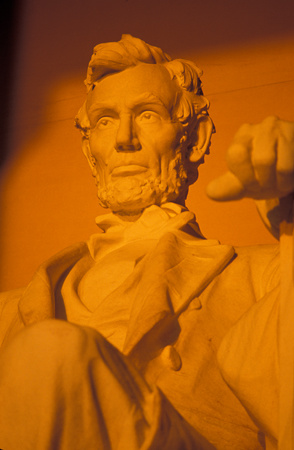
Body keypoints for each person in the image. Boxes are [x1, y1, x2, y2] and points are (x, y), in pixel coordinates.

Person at [0, 34, 293, 449]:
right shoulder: (9, 311)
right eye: (104, 120)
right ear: (90, 152)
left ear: (195, 139)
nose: (124, 139)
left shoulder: (260, 275)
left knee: (50, 352)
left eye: (147, 115)